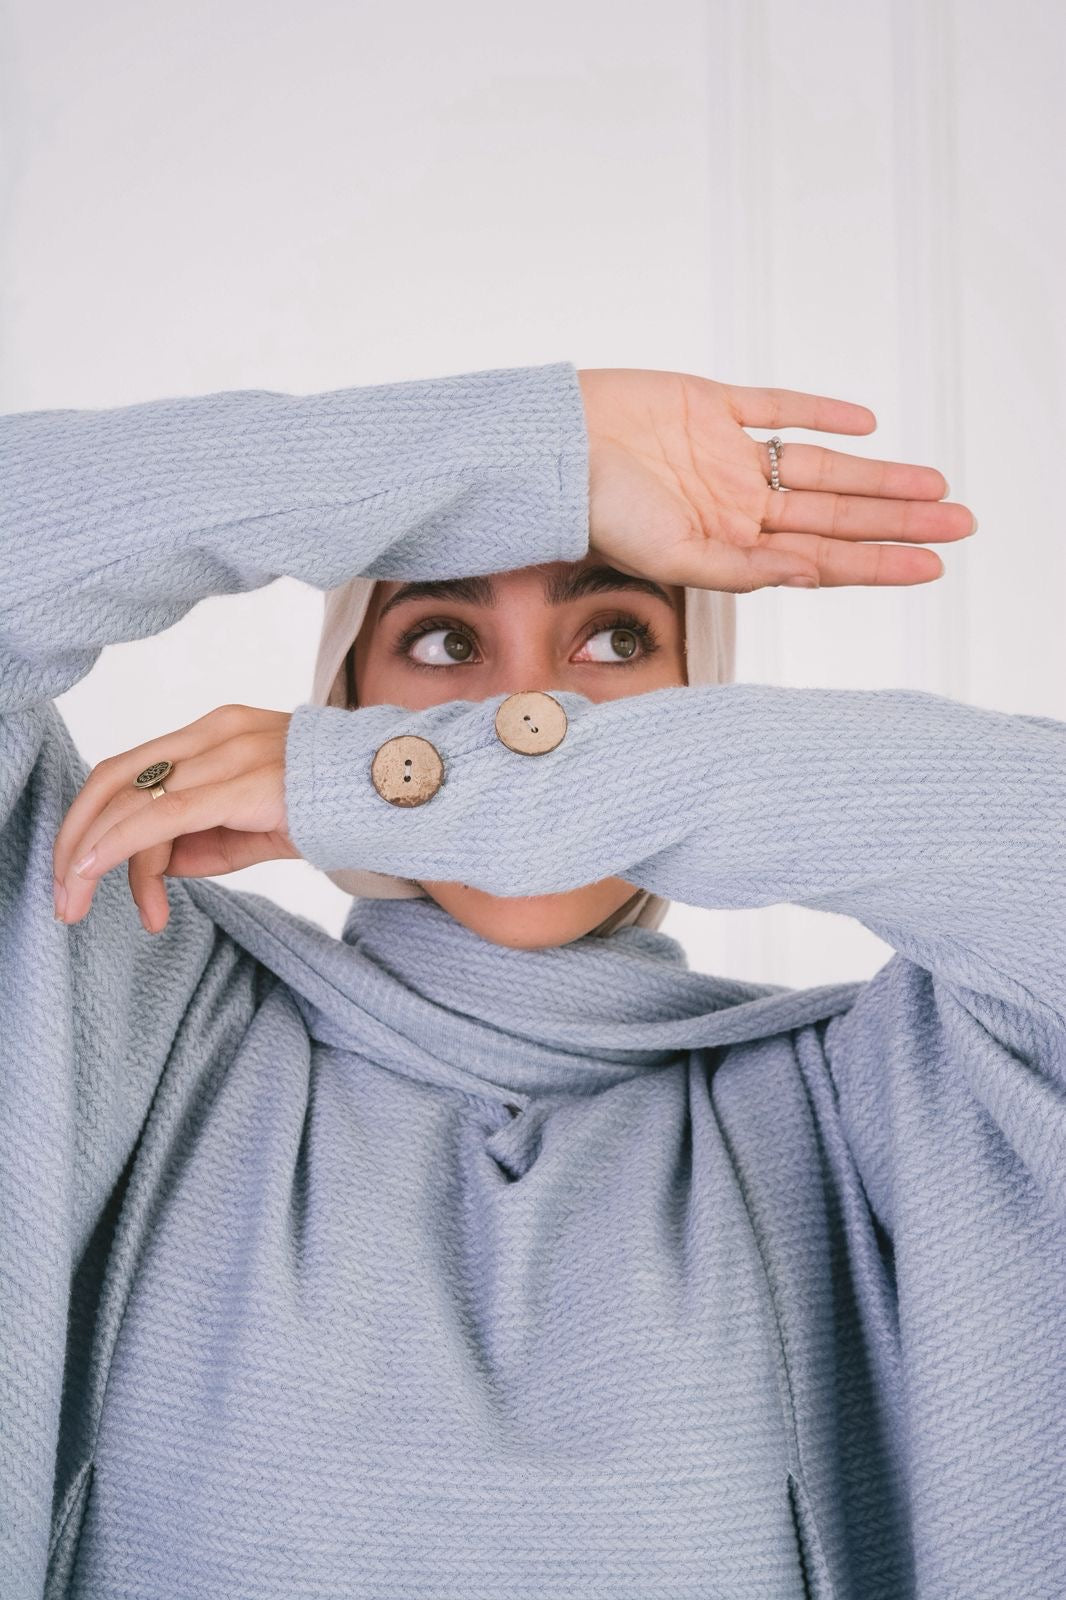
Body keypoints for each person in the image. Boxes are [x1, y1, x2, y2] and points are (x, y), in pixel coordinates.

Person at [1, 361, 1062, 1599]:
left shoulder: (877, 1101)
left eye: (614, 637)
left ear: (694, 702)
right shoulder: (133, 1000)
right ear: (342, 695)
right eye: (443, 641)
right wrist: (530, 448)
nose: (527, 704)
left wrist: (429, 779)